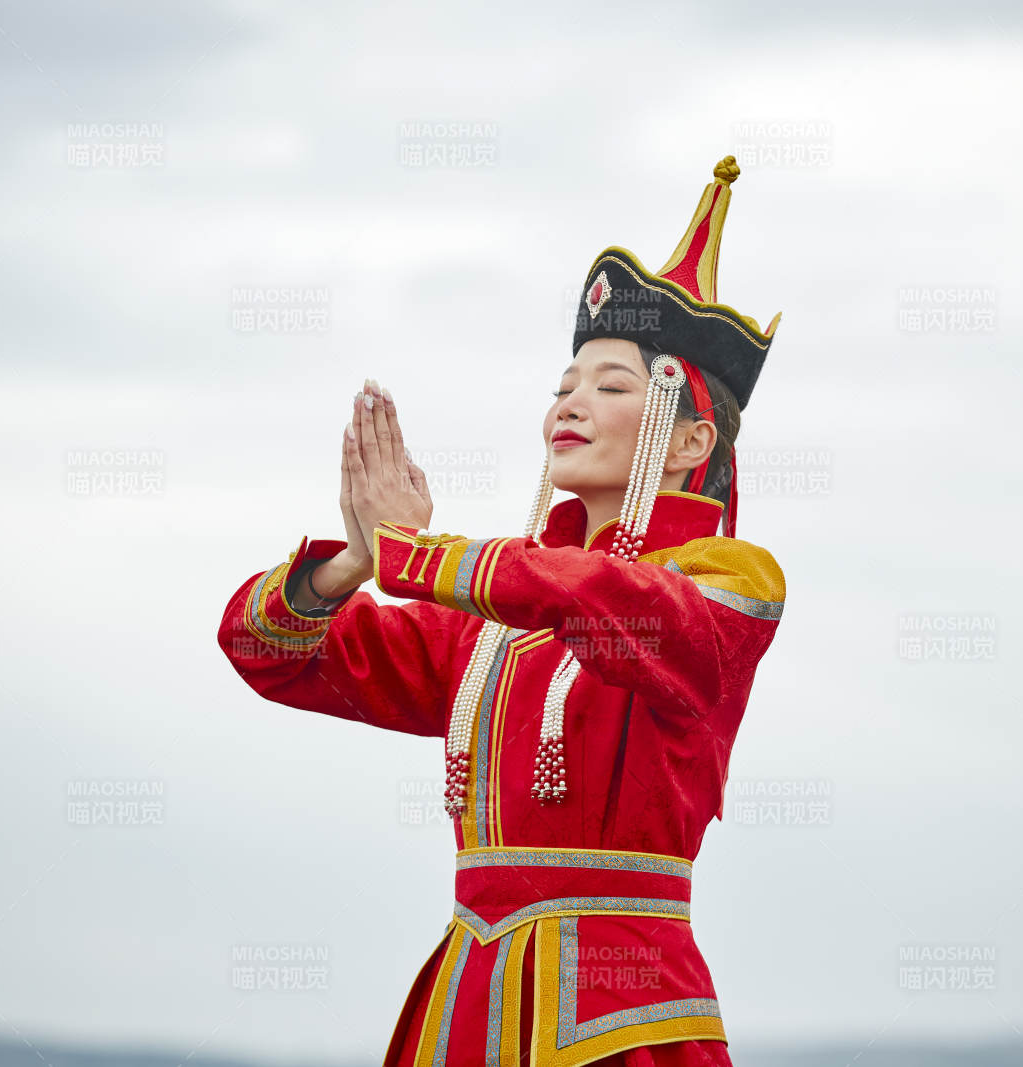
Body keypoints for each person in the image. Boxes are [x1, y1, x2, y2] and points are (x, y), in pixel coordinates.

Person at [218, 155, 786, 1066]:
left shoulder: (728, 582)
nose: (570, 404)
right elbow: (266, 650)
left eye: (610, 386)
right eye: (563, 387)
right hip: (466, 1011)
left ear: (691, 439)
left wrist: (414, 555)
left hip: (623, 1019)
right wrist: (356, 562)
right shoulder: (493, 624)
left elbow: (605, 598)